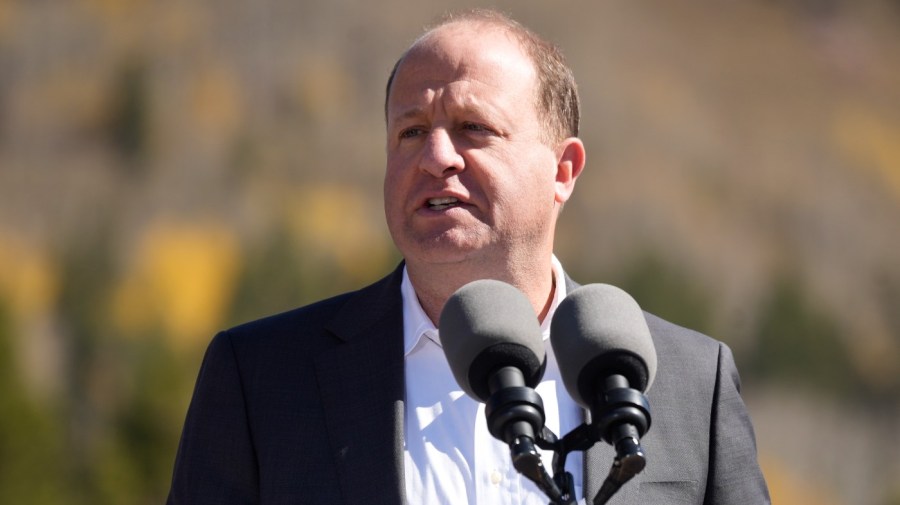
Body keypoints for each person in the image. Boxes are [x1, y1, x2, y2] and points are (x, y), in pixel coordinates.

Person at [167, 9, 770, 504]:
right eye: (409, 132)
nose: (436, 157)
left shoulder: (692, 381)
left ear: (563, 171)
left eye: (472, 128)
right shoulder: (262, 379)